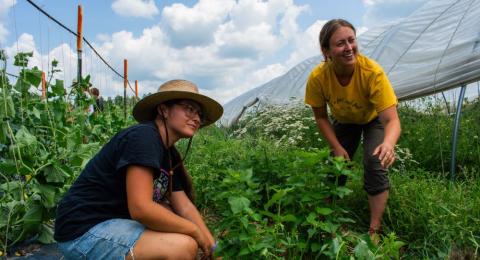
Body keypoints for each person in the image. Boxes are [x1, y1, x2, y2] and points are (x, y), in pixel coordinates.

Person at [54, 79, 223, 259]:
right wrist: (194, 231)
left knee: (175, 220)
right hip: (83, 231)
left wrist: (212, 248)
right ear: (163, 110)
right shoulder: (144, 137)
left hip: (115, 223)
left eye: (199, 113)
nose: (196, 118)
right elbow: (141, 209)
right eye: (189, 108)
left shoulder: (169, 154)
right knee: (183, 246)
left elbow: (185, 207)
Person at [304, 19, 401, 238]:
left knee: (374, 161)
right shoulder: (318, 78)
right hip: (345, 121)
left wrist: (388, 143)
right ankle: (325, 219)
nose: (349, 48)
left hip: (372, 119)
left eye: (351, 40)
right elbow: (320, 117)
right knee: (336, 164)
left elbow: (391, 121)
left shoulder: (372, 73)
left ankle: (374, 229)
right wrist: (337, 147)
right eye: (340, 43)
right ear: (326, 51)